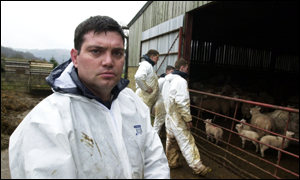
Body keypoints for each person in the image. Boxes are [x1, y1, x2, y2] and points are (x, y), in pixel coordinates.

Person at [9, 15, 170, 179]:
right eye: (96, 51)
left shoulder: (133, 103)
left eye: (117, 53)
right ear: (75, 57)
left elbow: (156, 162)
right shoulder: (47, 120)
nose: (108, 61)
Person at [162, 58, 212, 176]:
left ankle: (172, 162)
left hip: (169, 116)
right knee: (187, 142)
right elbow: (182, 102)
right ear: (183, 67)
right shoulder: (180, 81)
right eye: (187, 68)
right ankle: (198, 168)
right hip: (178, 117)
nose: (188, 70)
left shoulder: (167, 80)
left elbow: (165, 97)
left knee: (171, 140)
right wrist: (188, 118)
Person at [153, 65, 175, 135]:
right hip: (161, 103)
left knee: (164, 122)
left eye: (173, 72)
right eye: (171, 71)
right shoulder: (162, 80)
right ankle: (153, 140)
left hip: (166, 104)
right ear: (167, 71)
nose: (172, 73)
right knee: (158, 123)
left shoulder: (171, 81)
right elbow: (155, 91)